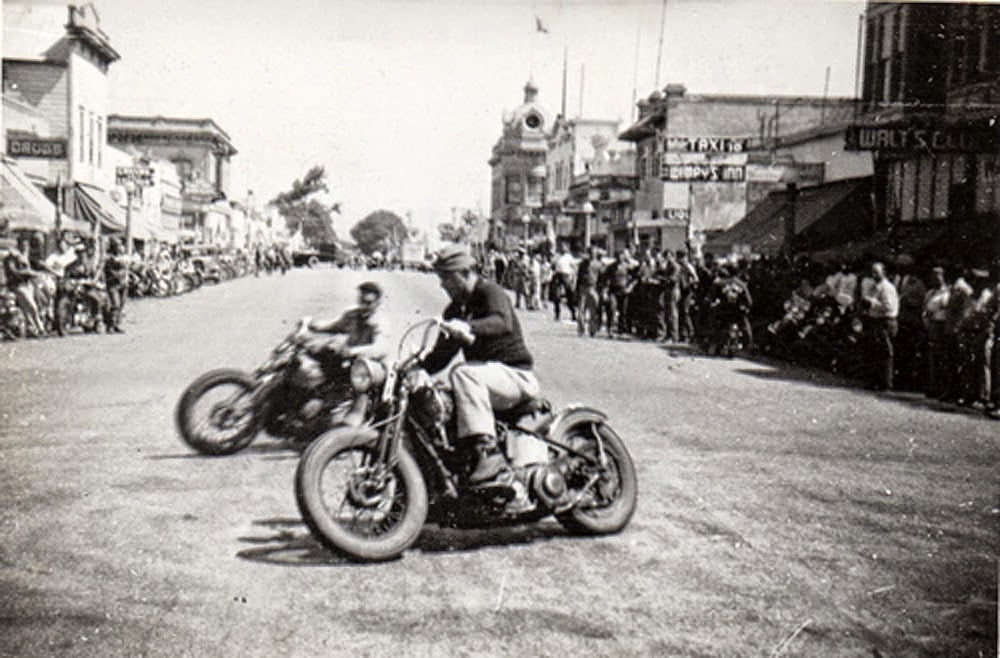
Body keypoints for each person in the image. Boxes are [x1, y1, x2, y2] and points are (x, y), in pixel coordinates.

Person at [422, 245, 539, 486]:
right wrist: (415, 368)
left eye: (448, 277)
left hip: (515, 375)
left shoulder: (490, 291)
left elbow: (502, 322)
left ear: (466, 273)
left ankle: (488, 451)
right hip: (489, 381)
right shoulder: (454, 309)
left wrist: (468, 327)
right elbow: (442, 355)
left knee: (462, 373)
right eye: (441, 278)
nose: (443, 285)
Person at [305, 281, 389, 362]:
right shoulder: (352, 315)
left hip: (366, 365)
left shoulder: (380, 322)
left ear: (377, 303)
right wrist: (311, 324)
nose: (363, 306)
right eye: (361, 301)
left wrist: (352, 351)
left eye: (368, 303)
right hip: (348, 359)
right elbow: (333, 326)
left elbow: (380, 349)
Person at [862, 261, 899, 390]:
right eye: (872, 272)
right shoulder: (875, 286)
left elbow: (889, 307)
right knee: (875, 352)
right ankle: (876, 380)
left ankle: (886, 382)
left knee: (885, 352)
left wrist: (872, 303)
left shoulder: (887, 288)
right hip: (876, 320)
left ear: (884, 272)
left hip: (885, 321)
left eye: (876, 272)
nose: (874, 275)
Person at [3, 237, 46, 337]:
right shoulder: (12, 257)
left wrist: (33, 273)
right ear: (18, 245)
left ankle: (33, 328)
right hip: (17, 285)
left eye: (27, 245)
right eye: (23, 245)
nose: (25, 247)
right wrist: (26, 273)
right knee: (32, 307)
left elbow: (31, 268)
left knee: (32, 306)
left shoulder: (25, 256)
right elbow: (13, 271)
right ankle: (40, 328)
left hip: (28, 284)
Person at [103, 238, 129, 333]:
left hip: (123, 284)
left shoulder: (123, 257)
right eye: (118, 245)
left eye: (120, 245)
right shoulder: (109, 258)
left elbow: (126, 267)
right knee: (115, 304)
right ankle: (110, 325)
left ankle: (117, 324)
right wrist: (119, 274)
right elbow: (110, 271)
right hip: (113, 284)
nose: (120, 247)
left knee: (121, 305)